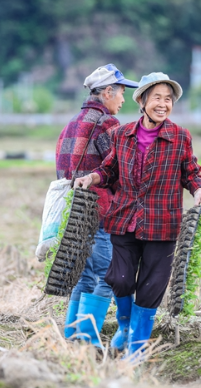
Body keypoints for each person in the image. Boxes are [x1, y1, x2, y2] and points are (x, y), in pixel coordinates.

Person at [74, 72, 201, 358]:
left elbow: (191, 172)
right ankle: (123, 325)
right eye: (157, 97)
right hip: (124, 220)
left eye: (168, 99)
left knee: (150, 288)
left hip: (163, 224)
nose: (163, 104)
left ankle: (136, 346)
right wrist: (92, 178)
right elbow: (110, 170)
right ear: (143, 101)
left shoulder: (180, 137)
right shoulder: (122, 134)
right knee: (119, 279)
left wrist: (197, 191)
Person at [55, 64, 138, 346]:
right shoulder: (106, 124)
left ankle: (72, 335)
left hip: (75, 212)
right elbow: (117, 170)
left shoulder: (71, 124)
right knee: (107, 275)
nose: (123, 100)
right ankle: (88, 339)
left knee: (84, 275)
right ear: (106, 92)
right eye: (121, 93)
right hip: (100, 212)